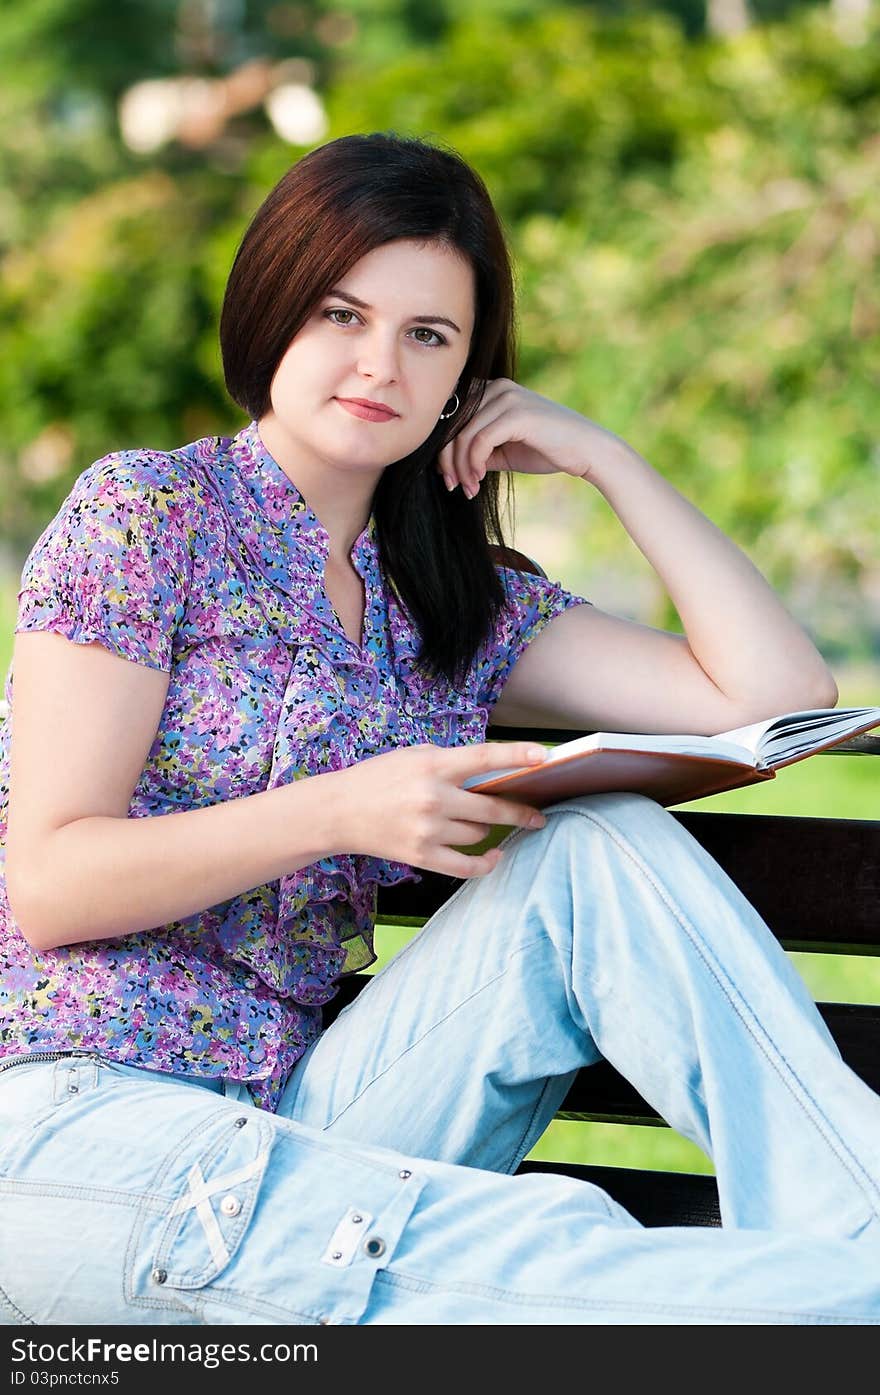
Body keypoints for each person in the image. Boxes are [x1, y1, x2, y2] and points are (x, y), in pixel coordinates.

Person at [0, 129, 878, 1330]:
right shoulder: (150, 514)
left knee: (597, 850)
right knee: (542, 1252)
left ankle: (865, 1224)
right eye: (340, 315)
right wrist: (343, 810)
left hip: (298, 1113)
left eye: (428, 336)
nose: (380, 365)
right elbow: (50, 881)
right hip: (80, 1121)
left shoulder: (453, 600)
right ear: (272, 313)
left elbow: (780, 697)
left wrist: (608, 460)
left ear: (468, 374)